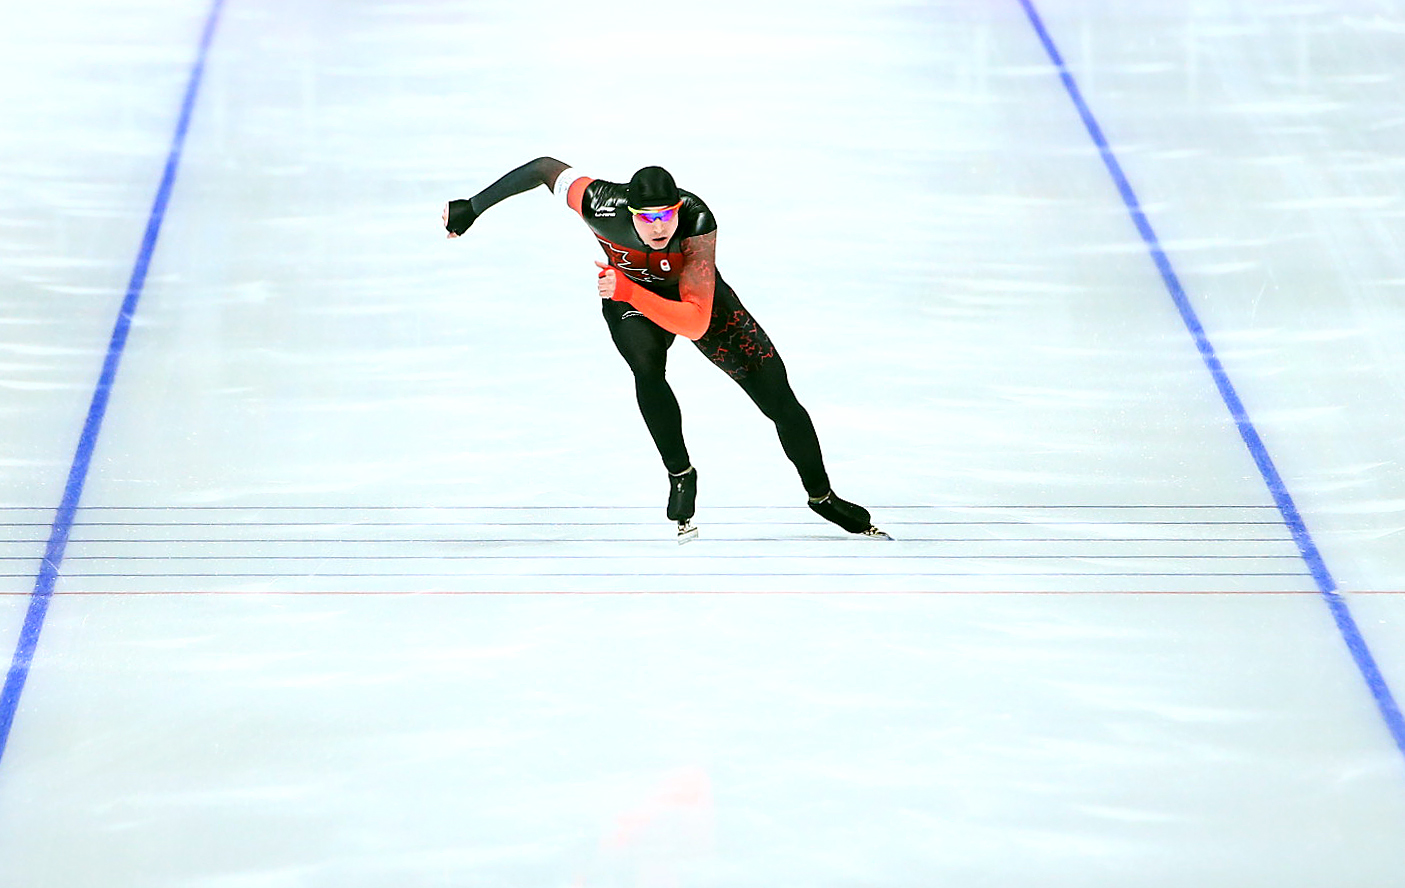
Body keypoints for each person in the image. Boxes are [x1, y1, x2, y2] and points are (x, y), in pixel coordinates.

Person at [443, 157, 888, 541]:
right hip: (629, 298)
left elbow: (695, 322)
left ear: (678, 209)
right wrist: (473, 208)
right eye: (646, 218)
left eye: (666, 217)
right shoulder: (598, 201)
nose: (658, 228)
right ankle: (681, 474)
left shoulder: (696, 222)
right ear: (628, 212)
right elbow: (543, 170)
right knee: (647, 369)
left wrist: (628, 291)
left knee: (780, 399)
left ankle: (822, 496)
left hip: (691, 299)